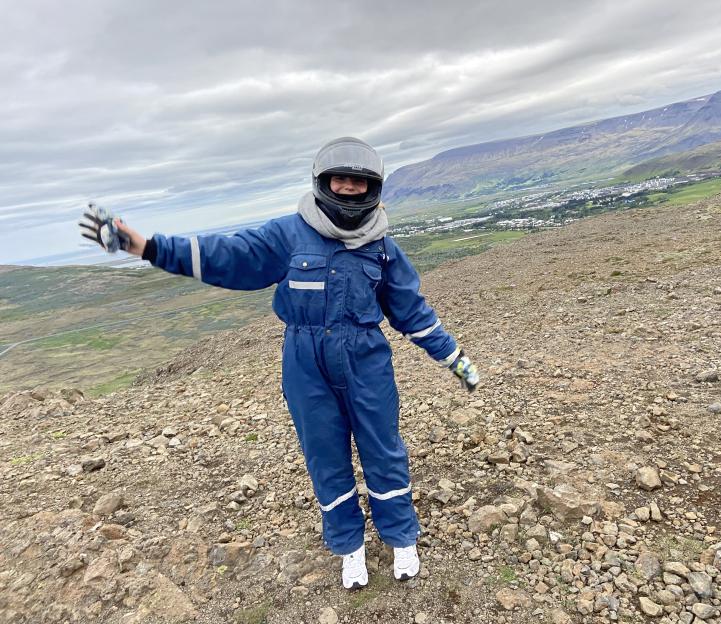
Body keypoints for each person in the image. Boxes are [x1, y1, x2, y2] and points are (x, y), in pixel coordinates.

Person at [79, 137, 480, 590]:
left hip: (367, 361)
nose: (348, 188)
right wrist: (147, 246)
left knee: (383, 451)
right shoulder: (288, 234)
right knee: (325, 457)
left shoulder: (382, 247)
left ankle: (400, 537)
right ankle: (350, 547)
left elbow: (411, 311)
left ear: (374, 188)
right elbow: (225, 255)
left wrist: (455, 359)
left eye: (359, 181)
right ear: (322, 182)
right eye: (339, 179)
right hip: (305, 365)